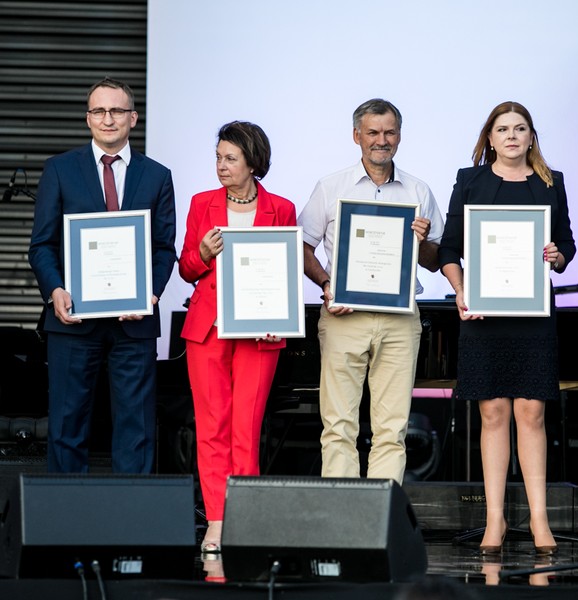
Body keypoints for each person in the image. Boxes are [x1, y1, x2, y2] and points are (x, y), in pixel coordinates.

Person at [439, 101, 575, 556]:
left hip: (533, 316)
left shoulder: (551, 183)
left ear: (531, 137)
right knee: (493, 412)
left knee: (531, 414)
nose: (512, 136)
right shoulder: (470, 181)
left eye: (520, 129)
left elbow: (567, 247)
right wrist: (461, 291)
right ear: (490, 137)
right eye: (503, 129)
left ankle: (539, 520)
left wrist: (556, 256)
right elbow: (450, 250)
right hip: (483, 316)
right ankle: (494, 520)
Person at [28, 77, 177, 473]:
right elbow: (41, 244)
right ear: (87, 118)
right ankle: (65, 526)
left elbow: (164, 249)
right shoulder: (59, 170)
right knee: (66, 425)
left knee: (136, 429)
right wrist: (54, 289)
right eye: (98, 111)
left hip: (135, 320)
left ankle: (134, 525)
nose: (107, 119)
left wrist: (152, 293)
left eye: (116, 111)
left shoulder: (158, 175)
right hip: (73, 318)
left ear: (133, 117)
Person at [299, 99, 444, 483]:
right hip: (344, 317)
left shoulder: (419, 190)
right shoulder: (331, 187)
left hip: (399, 319)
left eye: (390, 132)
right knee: (338, 426)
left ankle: (381, 523)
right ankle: (341, 527)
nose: (382, 140)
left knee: (392, 430)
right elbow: (302, 247)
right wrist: (328, 284)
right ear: (356, 136)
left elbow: (433, 260)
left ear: (399, 136)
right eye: (373, 132)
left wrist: (425, 240)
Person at [178, 121, 297, 553]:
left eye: (230, 158)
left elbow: (283, 271)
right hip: (208, 330)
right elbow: (187, 268)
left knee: (246, 429)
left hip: (259, 332)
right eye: (218, 158)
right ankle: (216, 519)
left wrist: (277, 314)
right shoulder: (201, 203)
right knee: (211, 427)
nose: (221, 166)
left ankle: (244, 519)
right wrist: (203, 254)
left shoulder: (281, 208)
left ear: (253, 161)